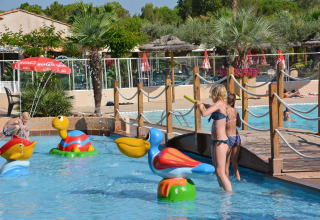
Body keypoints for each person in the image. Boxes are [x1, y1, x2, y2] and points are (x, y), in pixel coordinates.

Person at [195, 85, 232, 191]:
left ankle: (228, 196)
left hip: (221, 142)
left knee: (220, 172)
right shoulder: (218, 104)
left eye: (212, 94)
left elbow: (204, 113)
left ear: (216, 94)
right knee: (217, 171)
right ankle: (223, 192)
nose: (211, 96)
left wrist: (200, 106)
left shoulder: (220, 103)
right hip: (216, 141)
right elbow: (209, 107)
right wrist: (203, 104)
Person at [225, 93, 242, 181]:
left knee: (226, 164)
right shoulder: (236, 111)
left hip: (228, 139)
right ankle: (239, 179)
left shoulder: (224, 111)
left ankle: (226, 182)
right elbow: (239, 125)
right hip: (237, 138)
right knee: (234, 162)